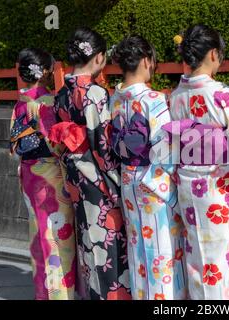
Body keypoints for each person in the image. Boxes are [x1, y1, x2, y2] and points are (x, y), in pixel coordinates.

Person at [167, 24, 229, 300]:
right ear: (214, 55)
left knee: (198, 257)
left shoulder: (176, 96)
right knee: (226, 255)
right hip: (221, 187)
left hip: (188, 184)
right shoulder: (223, 95)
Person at [49, 27, 130, 300]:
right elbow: (102, 145)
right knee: (107, 241)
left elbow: (59, 138)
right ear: (97, 58)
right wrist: (118, 181)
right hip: (97, 179)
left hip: (74, 175)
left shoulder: (61, 93)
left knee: (88, 241)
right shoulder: (94, 92)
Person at [109, 35, 187, 300]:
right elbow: (165, 146)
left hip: (129, 180)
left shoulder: (115, 99)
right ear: (145, 60)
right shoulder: (154, 99)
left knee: (138, 252)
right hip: (154, 183)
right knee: (162, 253)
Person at [10, 48, 76, 299]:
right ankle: (58, 293)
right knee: (57, 237)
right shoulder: (47, 103)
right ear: (46, 71)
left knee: (39, 233)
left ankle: (42, 291)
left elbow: (15, 145)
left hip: (29, 174)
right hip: (50, 174)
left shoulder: (20, 102)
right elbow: (55, 144)